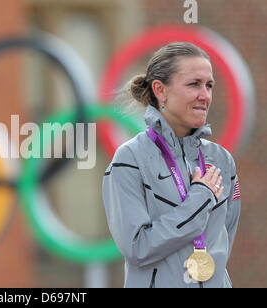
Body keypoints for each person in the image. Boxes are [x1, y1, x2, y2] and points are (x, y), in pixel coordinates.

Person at [102, 42, 241, 288]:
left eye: (209, 85)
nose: (205, 96)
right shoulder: (130, 159)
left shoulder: (222, 161)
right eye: (193, 84)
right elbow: (139, 248)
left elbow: (223, 240)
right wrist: (200, 199)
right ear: (160, 90)